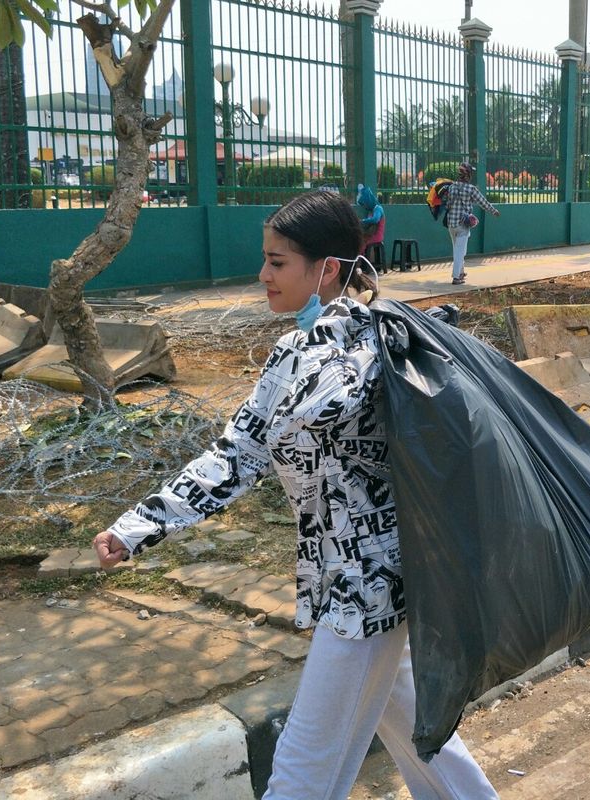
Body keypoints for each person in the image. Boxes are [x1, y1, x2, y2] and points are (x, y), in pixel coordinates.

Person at [92, 190, 498, 800]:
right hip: (351, 577)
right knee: (418, 734)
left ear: (326, 268)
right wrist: (139, 526)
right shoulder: (305, 350)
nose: (262, 276)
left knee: (301, 775)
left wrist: (348, 332)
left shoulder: (370, 344)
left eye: (278, 262)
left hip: (368, 588)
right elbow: (238, 454)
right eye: (265, 260)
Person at [444, 162, 499, 285]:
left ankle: (461, 272)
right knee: (459, 251)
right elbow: (483, 202)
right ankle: (456, 277)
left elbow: (447, 204)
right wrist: (494, 211)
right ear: (468, 175)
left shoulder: (451, 187)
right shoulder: (471, 189)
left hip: (451, 223)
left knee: (458, 250)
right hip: (463, 224)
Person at [357, 183, 386, 271]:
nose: (365, 207)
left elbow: (375, 220)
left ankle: (362, 266)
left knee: (361, 243)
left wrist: (362, 221)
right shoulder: (371, 211)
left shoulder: (378, 208)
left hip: (377, 236)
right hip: (371, 235)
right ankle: (362, 265)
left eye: (365, 204)